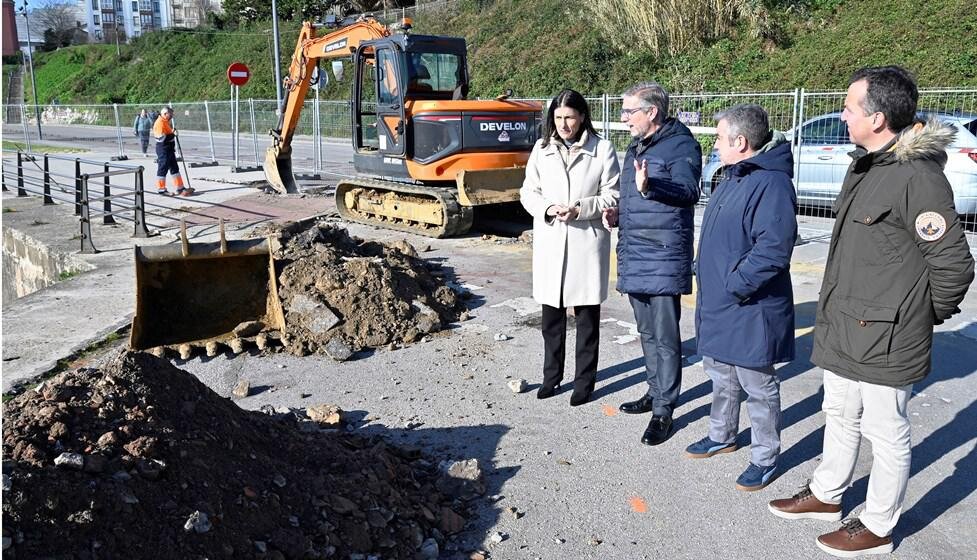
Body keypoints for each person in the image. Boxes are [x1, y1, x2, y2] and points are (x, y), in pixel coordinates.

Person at [768, 66, 974, 557]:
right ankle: (826, 495)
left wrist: (920, 318)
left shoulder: (918, 179)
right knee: (838, 412)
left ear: (877, 118)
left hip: (888, 335)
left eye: (848, 107)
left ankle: (879, 524)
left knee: (887, 431)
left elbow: (954, 266)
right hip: (846, 323)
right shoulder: (866, 165)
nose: (841, 114)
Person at [684, 104, 797, 492]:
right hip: (720, 301)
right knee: (721, 377)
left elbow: (773, 250)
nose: (714, 145)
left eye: (718, 138)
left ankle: (765, 457)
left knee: (758, 386)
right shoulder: (731, 176)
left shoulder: (771, 183)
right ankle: (722, 435)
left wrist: (734, 284)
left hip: (749, 305)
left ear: (740, 142)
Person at [601, 82, 701, 445]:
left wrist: (650, 187)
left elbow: (689, 192)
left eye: (630, 112)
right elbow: (637, 196)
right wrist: (619, 214)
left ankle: (665, 410)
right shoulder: (637, 145)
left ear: (652, 112)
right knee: (645, 333)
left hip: (662, 253)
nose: (624, 118)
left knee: (665, 336)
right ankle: (654, 391)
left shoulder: (682, 145)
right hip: (635, 250)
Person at [520, 89, 620, 406]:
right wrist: (548, 209)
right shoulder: (542, 148)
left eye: (570, 117)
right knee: (551, 318)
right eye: (559, 118)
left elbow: (613, 195)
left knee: (587, 320)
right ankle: (552, 377)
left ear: (582, 117)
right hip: (552, 242)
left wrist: (580, 208)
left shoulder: (602, 149)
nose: (564, 124)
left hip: (585, 243)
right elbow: (528, 192)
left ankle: (584, 382)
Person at [152, 106, 193, 196]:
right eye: (170, 114)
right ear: (165, 114)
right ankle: (161, 189)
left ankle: (180, 188)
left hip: (169, 149)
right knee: (163, 168)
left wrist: (172, 132)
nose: (172, 116)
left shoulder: (165, 121)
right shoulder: (160, 123)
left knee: (174, 168)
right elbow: (160, 138)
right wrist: (172, 135)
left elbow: (167, 133)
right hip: (163, 149)